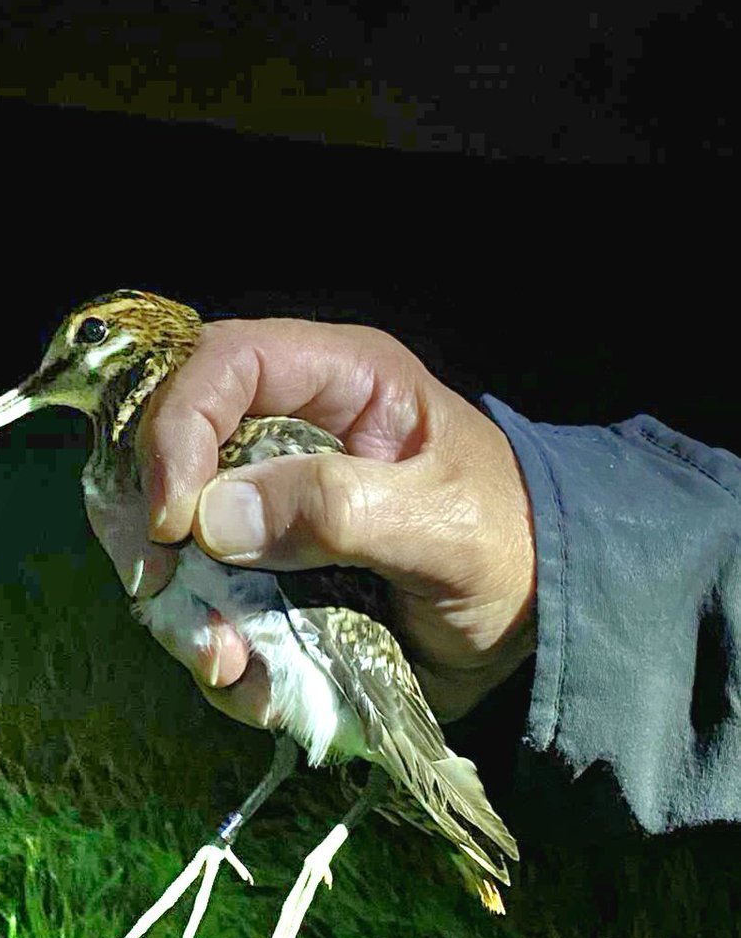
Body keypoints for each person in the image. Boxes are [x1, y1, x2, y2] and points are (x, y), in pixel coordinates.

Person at [89, 316, 741, 835]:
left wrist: (536, 546)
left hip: (376, 662)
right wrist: (541, 542)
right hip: (387, 660)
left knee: (360, 725)